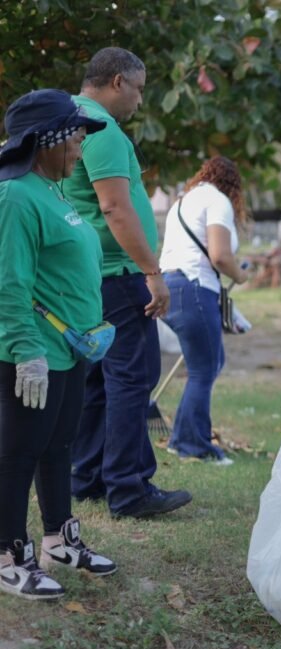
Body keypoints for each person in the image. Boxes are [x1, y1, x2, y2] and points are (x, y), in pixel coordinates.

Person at [64, 47, 192, 518]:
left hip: (86, 274)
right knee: (131, 379)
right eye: (138, 88)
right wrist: (152, 272)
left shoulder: (67, 117)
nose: (140, 99)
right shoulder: (102, 129)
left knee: (97, 378)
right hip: (117, 274)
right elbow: (115, 208)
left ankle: (88, 475)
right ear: (118, 81)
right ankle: (130, 487)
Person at [0, 89, 118, 599]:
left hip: (70, 349)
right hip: (33, 354)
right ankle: (8, 554)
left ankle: (58, 539)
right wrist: (27, 351)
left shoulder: (54, 189)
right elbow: (9, 283)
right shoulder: (15, 196)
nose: (79, 145)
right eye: (73, 135)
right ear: (43, 139)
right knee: (18, 452)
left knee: (58, 446)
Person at [158, 157, 249, 465]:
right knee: (204, 368)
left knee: (208, 363)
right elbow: (221, 256)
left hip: (171, 284)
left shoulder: (184, 201)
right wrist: (240, 275)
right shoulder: (218, 201)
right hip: (195, 286)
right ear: (232, 185)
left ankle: (182, 438)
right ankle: (193, 445)